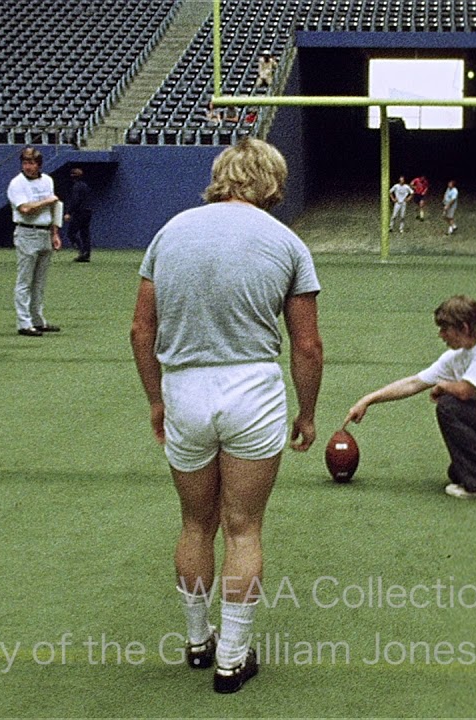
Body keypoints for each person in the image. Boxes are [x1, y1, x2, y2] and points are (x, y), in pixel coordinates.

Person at [130, 138, 323, 694]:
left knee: (196, 523)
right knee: (244, 528)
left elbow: (142, 330)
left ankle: (197, 641)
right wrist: (307, 414)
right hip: (252, 392)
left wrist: (156, 399)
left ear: (222, 175)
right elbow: (306, 346)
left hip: (186, 388)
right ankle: (232, 659)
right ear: (272, 183)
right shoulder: (287, 242)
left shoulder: (170, 232)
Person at [344, 295, 476, 499]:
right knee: (459, 471)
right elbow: (413, 383)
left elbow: (465, 391)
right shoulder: (456, 358)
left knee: (449, 406)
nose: (440, 335)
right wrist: (368, 400)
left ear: (464, 327)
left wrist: (443, 387)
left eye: (444, 329)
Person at [7, 147, 62, 337]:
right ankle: (24, 323)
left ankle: (38, 320)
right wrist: (47, 201)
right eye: (25, 163)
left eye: (31, 163)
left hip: (44, 232)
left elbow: (54, 209)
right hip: (26, 233)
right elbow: (25, 209)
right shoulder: (17, 184)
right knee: (25, 281)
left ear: (39, 164)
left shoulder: (47, 180)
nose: (28, 167)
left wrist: (55, 233)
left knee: (39, 281)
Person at [64, 167, 94, 263]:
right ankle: (87, 253)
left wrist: (69, 212)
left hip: (80, 212)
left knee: (71, 233)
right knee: (84, 233)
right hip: (88, 211)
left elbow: (75, 201)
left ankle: (82, 252)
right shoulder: (85, 185)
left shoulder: (76, 186)